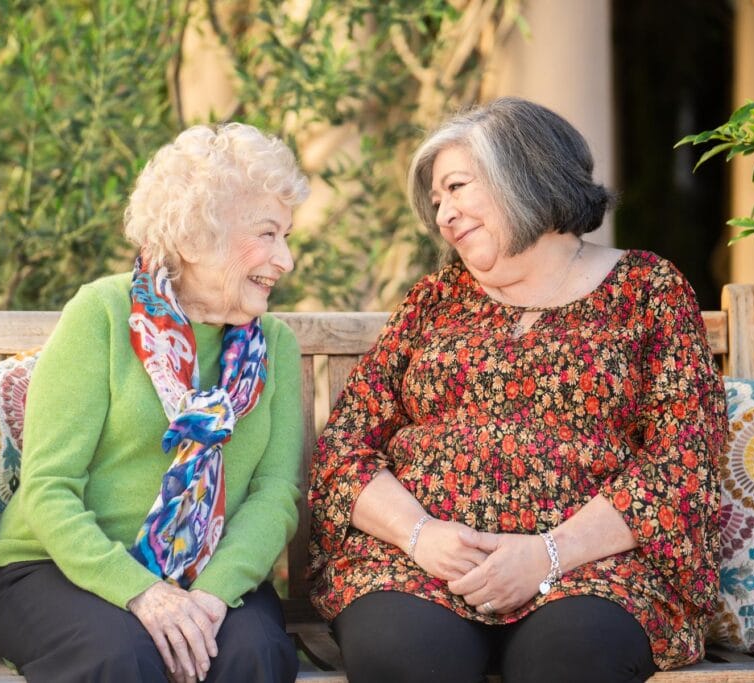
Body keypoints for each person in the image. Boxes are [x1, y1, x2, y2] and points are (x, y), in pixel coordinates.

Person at [308, 97, 728, 682]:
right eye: (436, 202)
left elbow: (683, 459)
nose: (444, 215)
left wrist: (546, 554)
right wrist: (420, 535)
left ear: (525, 173)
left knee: (570, 662)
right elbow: (345, 447)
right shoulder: (433, 300)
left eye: (457, 187)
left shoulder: (647, 289)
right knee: (406, 658)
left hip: (593, 570)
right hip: (420, 567)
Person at [0, 123, 309, 683]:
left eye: (286, 237)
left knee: (253, 654)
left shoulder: (273, 345)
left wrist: (210, 595)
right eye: (267, 234)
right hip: (62, 567)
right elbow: (49, 486)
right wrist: (142, 592)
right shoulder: (103, 315)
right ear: (193, 238)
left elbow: (274, 494)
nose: (286, 260)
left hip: (209, 573)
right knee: (124, 657)